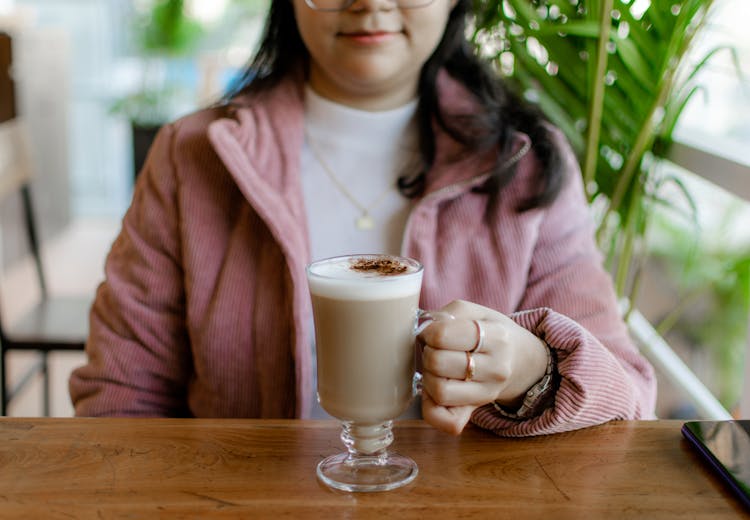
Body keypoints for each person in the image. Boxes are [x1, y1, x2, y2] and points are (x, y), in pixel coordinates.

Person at [69, 0, 657, 436]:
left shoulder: (526, 161)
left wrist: (533, 369)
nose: (369, 2)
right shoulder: (194, 156)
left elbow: (626, 398)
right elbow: (120, 394)